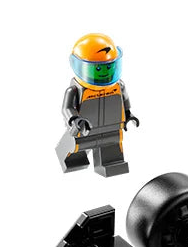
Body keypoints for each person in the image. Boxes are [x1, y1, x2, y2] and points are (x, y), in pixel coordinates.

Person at [55, 33, 139, 176]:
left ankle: (111, 165)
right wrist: (75, 120)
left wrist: (129, 114)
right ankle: (73, 162)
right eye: (98, 68)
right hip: (84, 130)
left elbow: (124, 101)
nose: (104, 73)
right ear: (78, 65)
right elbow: (67, 108)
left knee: (112, 149)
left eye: (109, 67)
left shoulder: (119, 86)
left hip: (112, 129)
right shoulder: (75, 90)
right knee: (75, 148)